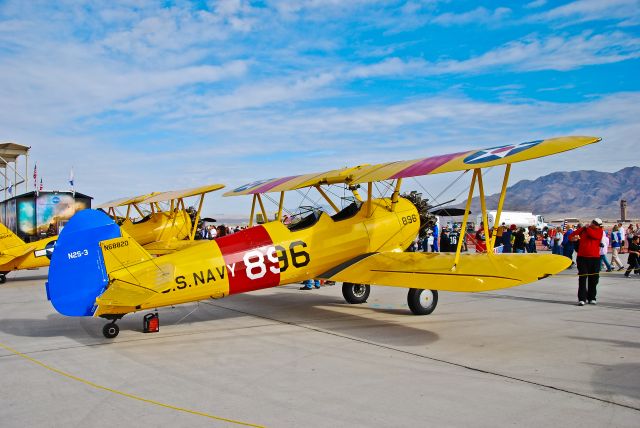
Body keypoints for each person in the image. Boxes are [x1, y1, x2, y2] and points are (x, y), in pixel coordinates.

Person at [570, 218, 604, 306]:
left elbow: (593, 235)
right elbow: (571, 236)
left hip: (595, 258)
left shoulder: (599, 231)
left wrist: (587, 227)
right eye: (594, 223)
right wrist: (574, 238)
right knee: (582, 278)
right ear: (592, 222)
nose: (595, 225)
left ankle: (592, 297)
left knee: (594, 279)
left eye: (597, 225)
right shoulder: (583, 229)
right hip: (582, 258)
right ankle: (582, 299)